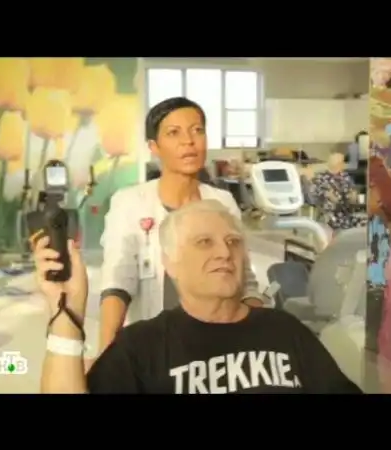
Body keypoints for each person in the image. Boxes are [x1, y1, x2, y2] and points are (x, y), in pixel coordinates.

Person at [36, 200, 362, 394]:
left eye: (233, 242)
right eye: (204, 242)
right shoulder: (141, 347)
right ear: (171, 263)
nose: (224, 252)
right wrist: (67, 311)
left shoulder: (285, 331)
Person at [98, 97, 263, 357]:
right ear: (154, 146)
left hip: (218, 343)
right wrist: (105, 355)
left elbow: (244, 279)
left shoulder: (222, 202)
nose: (188, 141)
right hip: (155, 347)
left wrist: (259, 337)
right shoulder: (130, 202)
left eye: (197, 130)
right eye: (174, 133)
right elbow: (118, 280)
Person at [310, 152, 367, 231]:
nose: (344, 165)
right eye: (342, 162)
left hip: (348, 213)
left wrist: (353, 196)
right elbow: (315, 195)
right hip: (331, 217)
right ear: (337, 164)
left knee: (369, 223)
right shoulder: (320, 178)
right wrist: (328, 196)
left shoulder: (345, 176)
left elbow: (352, 192)